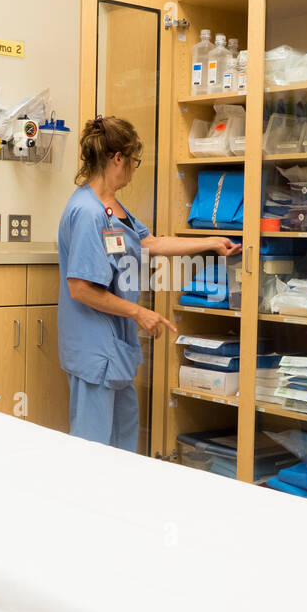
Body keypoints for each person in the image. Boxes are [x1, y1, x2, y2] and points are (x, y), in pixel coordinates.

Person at [57, 115, 240, 451]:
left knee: (123, 449)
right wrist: (139, 313)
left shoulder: (110, 207)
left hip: (116, 351)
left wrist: (211, 241)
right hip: (95, 350)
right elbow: (80, 288)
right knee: (91, 453)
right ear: (117, 158)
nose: (133, 170)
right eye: (133, 161)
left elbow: (150, 242)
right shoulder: (87, 212)